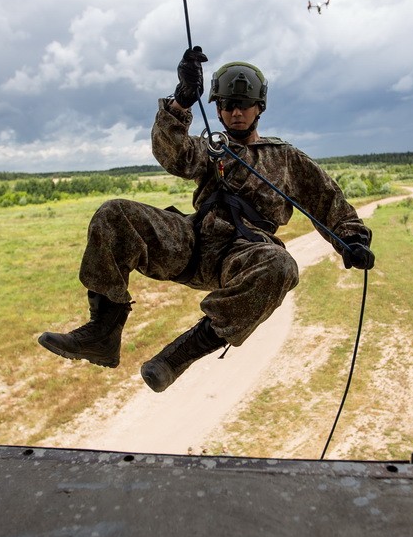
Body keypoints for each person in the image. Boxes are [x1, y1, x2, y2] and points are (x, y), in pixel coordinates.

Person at [38, 47, 375, 393]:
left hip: (243, 254)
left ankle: (177, 357)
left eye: (244, 104)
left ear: (260, 107)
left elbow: (327, 200)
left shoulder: (286, 159)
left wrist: (352, 240)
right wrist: (180, 104)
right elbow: (175, 156)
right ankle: (103, 332)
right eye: (227, 104)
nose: (235, 112)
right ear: (216, 108)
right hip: (193, 243)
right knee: (114, 213)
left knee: (281, 266)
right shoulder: (212, 147)